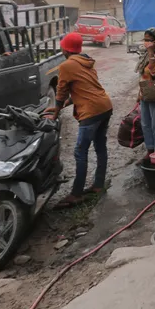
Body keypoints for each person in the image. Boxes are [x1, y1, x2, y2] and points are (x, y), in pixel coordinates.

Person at [45, 32, 114, 207]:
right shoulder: (87, 61)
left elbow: (61, 93)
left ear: (65, 49)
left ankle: (76, 194)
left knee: (80, 151)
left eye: (62, 46)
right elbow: (81, 91)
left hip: (91, 111)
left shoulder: (67, 66)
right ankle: (98, 185)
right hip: (104, 106)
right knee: (100, 147)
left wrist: (55, 113)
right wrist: (60, 107)